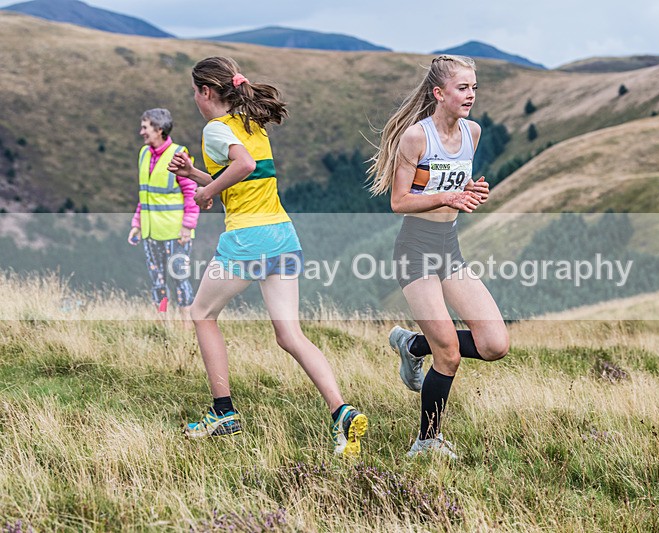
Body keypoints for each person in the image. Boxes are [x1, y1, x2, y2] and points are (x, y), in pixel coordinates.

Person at [167, 56, 367, 457]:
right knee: (289, 335)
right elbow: (244, 178)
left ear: (206, 92)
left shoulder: (215, 129)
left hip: (248, 240)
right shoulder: (251, 125)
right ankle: (341, 413)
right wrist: (195, 175)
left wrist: (204, 194)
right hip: (282, 237)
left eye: (195, 91)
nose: (194, 97)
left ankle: (223, 413)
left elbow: (242, 165)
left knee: (202, 314)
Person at [367, 55, 509, 459]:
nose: (471, 95)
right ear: (439, 93)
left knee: (495, 343)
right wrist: (446, 197)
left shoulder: (473, 132)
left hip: (449, 247)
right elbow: (399, 201)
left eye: (474, 88)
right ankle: (427, 441)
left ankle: (413, 345)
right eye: (463, 88)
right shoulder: (416, 137)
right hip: (414, 249)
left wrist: (471, 192)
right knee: (447, 350)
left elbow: (457, 183)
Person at [127, 108, 197, 328]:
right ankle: (162, 324)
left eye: (145, 127)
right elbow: (145, 194)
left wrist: (187, 227)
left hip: (175, 234)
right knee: (157, 281)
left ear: (159, 129)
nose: (141, 132)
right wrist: (137, 223)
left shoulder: (179, 155)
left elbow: (191, 194)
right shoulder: (143, 154)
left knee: (179, 279)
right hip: (150, 232)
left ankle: (187, 327)